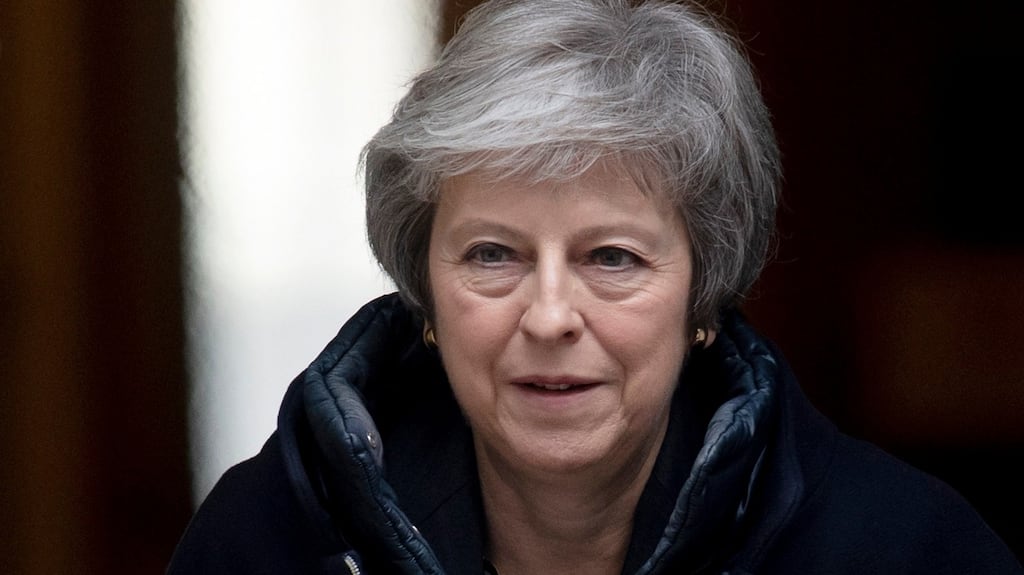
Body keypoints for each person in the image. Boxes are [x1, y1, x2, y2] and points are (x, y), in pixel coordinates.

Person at [167, 0, 1023, 573]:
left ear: (703, 296)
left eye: (612, 258)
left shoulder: (904, 550)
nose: (548, 315)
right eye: (493, 255)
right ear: (423, 292)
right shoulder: (267, 540)